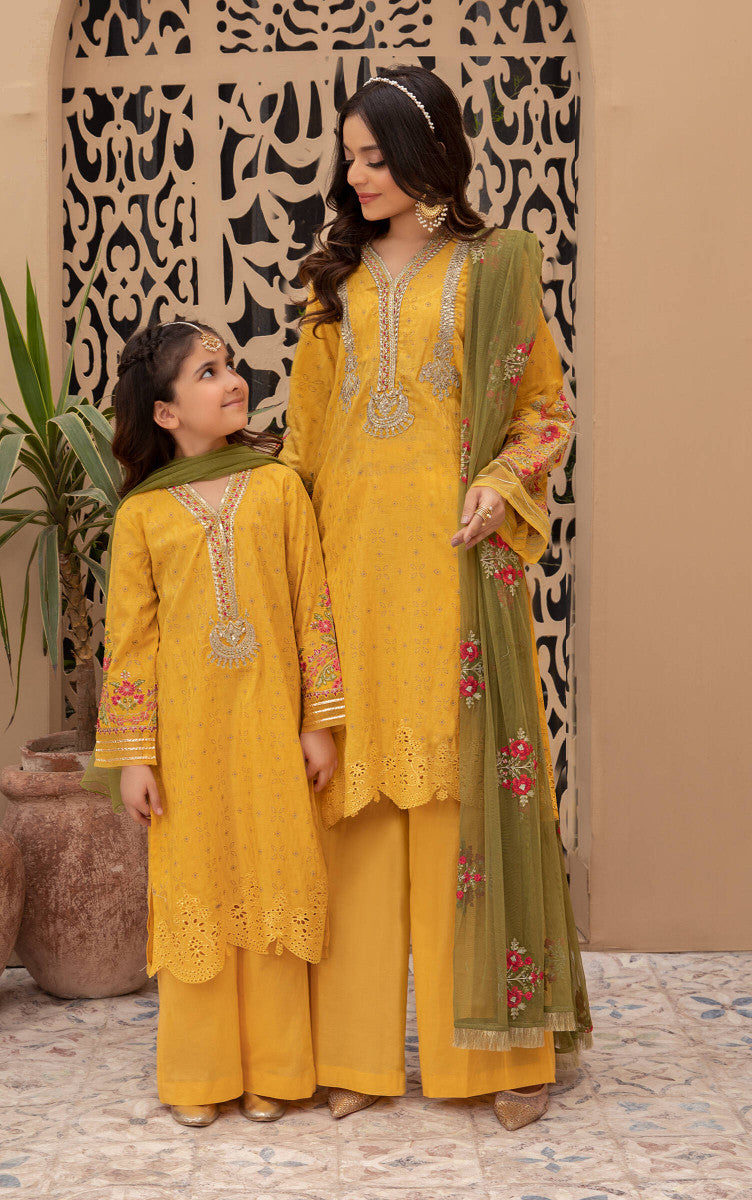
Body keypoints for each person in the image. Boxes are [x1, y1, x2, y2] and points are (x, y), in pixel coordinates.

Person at [281, 65, 592, 1130]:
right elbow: (305, 442)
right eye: (350, 159)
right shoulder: (333, 284)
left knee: (465, 807)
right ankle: (356, 1055)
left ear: (430, 155)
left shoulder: (497, 268)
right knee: (357, 803)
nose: (358, 177)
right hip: (355, 569)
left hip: (458, 570)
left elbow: (546, 414)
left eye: (376, 157)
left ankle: (499, 1053)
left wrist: (499, 483)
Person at [89, 318, 344, 1127]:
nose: (232, 380)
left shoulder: (277, 488)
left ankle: (277, 1070)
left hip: (270, 725)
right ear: (165, 413)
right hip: (188, 741)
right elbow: (131, 644)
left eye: (229, 365)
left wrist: (317, 721)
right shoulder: (143, 515)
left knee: (274, 876)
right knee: (197, 885)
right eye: (207, 372)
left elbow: (312, 609)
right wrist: (135, 756)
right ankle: (198, 1072)